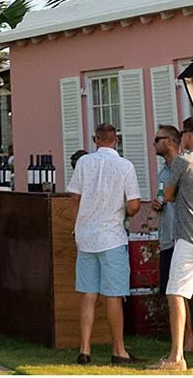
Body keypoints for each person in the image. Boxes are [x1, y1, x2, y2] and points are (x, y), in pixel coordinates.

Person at [66, 121, 144, 365]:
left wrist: (77, 226)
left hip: (86, 236)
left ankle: (85, 348)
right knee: (113, 295)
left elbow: (74, 199)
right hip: (111, 237)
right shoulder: (125, 166)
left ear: (95, 139)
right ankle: (118, 350)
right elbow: (133, 205)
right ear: (116, 140)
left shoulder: (83, 163)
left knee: (88, 294)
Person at [154, 117, 193, 373]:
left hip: (188, 236)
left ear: (190, 135)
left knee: (175, 293)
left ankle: (177, 355)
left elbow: (167, 195)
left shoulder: (183, 161)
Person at [150, 126, 193, 359]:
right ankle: (186, 341)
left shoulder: (183, 165)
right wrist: (157, 204)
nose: (154, 143)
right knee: (175, 291)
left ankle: (192, 343)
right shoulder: (163, 173)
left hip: (183, 235)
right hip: (167, 235)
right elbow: (164, 196)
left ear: (170, 141)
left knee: (186, 292)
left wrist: (167, 198)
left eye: (157, 139)